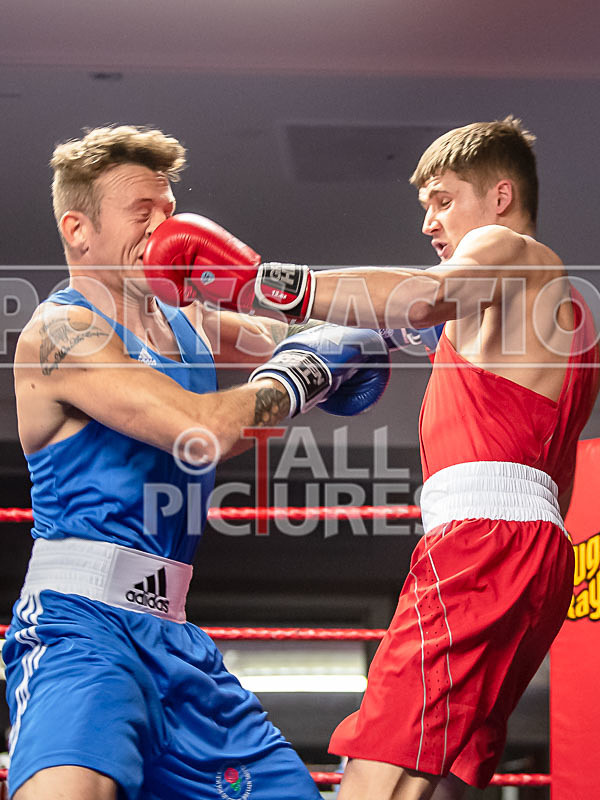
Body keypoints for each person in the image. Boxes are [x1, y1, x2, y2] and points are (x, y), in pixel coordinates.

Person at [145, 117, 600, 799]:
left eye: (443, 200)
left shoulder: (508, 250)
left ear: (500, 196)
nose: (429, 223)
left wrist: (258, 279)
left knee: (375, 776)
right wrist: (212, 320)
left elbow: (418, 298)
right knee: (427, 779)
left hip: (480, 549)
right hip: (532, 555)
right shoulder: (555, 314)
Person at [3, 124, 397, 800]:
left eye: (168, 208)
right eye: (141, 212)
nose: (164, 227)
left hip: (176, 639)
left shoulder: (188, 319)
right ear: (78, 229)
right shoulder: (62, 334)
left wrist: (309, 314)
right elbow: (201, 431)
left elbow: (316, 332)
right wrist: (305, 372)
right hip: (81, 629)